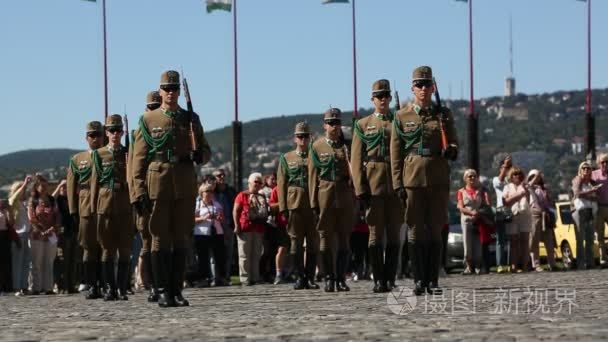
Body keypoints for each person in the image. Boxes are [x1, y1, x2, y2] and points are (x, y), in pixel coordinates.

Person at [131, 70, 211, 307]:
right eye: (167, 88)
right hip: (159, 183)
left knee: (181, 238)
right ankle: (163, 289)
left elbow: (205, 150)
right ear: (160, 90)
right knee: (159, 238)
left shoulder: (190, 118)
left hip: (185, 182)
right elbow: (138, 160)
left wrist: (200, 155)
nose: (171, 93)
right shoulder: (149, 120)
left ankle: (177, 289)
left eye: (174, 88)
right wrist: (138, 191)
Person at [390, 66, 458, 296]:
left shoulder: (443, 113)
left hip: (438, 176)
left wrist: (452, 150)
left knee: (436, 229)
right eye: (418, 84)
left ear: (433, 87)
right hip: (412, 178)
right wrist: (398, 184)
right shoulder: (402, 116)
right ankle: (419, 280)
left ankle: (433, 280)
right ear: (412, 88)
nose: (423, 88)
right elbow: (396, 153)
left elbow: (454, 143)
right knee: (416, 230)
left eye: (427, 84)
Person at [351, 79, 404, 293]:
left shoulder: (399, 121)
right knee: (374, 236)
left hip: (395, 184)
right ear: (372, 100)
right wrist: (360, 188)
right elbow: (356, 159)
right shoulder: (363, 125)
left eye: (385, 96)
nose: (382, 100)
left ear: (390, 98)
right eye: (378, 96)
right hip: (373, 186)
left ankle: (390, 277)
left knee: (393, 236)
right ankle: (378, 279)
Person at [309, 107, 355, 292]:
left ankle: (341, 278)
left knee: (344, 238)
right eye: (330, 123)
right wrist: (313, 203)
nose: (334, 126)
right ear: (324, 125)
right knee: (325, 238)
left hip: (344, 192)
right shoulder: (317, 146)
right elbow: (313, 176)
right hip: (324, 193)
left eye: (337, 122)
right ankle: (328, 277)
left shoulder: (347, 145)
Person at [91, 114, 133, 301]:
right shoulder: (99, 154)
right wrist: (93, 208)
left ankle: (122, 288)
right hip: (105, 205)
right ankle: (110, 288)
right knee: (107, 250)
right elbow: (94, 182)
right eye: (111, 130)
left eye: (118, 130)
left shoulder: (128, 152)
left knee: (124, 249)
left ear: (123, 132)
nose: (115, 134)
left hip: (124, 205)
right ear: (106, 132)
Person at [276, 122, 320, 290]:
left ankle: (310, 277)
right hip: (294, 204)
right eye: (300, 136)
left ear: (310, 138)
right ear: (295, 138)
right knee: (295, 243)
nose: (303, 139)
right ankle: (299, 277)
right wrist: (283, 208)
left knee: (312, 243)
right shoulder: (286, 158)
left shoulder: (314, 156)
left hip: (312, 203)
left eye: (305, 136)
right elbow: (281, 184)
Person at [129, 91, 161, 302]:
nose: (154, 111)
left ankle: (164, 282)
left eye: (156, 106)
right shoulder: (139, 132)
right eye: (151, 107)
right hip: (145, 193)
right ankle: (151, 284)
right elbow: (133, 168)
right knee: (148, 242)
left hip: (164, 190)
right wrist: (136, 197)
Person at [67, 121, 104, 299]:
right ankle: (91, 283)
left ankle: (106, 283)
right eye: (92, 135)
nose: (95, 138)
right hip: (86, 205)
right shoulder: (77, 159)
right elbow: (71, 186)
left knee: (106, 246)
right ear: (86, 138)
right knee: (89, 247)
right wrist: (73, 211)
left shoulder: (108, 155)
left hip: (105, 204)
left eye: (98, 134)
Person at [233, 173, 268, 286]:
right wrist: (236, 225)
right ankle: (245, 279)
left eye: (259, 182)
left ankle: (255, 278)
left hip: (258, 229)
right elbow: (236, 211)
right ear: (249, 183)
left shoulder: (262, 197)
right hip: (245, 228)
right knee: (244, 255)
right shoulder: (242, 195)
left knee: (256, 254)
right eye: (255, 182)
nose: (257, 184)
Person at [28, 175, 60, 295]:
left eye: (46, 186)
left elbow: (57, 216)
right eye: (42, 186)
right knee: (37, 262)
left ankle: (48, 287)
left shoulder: (52, 200)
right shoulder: (33, 200)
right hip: (37, 235)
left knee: (49, 261)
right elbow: (31, 218)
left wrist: (53, 228)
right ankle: (36, 287)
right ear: (36, 187)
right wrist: (42, 230)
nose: (45, 188)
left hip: (52, 235)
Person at [456, 169, 491, 275]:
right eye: (469, 176)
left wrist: (479, 213)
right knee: (467, 245)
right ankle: (468, 266)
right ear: (465, 179)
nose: (472, 178)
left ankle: (478, 266)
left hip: (479, 220)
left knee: (478, 245)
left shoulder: (481, 190)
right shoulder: (461, 191)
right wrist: (471, 213)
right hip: (467, 220)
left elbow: (487, 205)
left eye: (474, 176)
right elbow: (460, 207)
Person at [194, 183, 227, 287]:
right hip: (201, 233)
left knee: (218, 256)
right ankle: (203, 279)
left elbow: (223, 219)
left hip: (217, 232)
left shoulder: (217, 204)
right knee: (203, 257)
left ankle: (218, 278)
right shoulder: (197, 204)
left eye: (211, 191)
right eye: (207, 191)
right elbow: (192, 220)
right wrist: (204, 218)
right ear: (201, 193)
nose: (210, 193)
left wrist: (219, 218)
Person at [502, 167, 532, 273]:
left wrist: (526, 191)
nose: (517, 176)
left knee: (525, 241)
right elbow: (506, 202)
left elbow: (529, 200)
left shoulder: (525, 186)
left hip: (525, 214)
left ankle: (525, 266)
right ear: (511, 176)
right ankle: (513, 266)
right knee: (513, 242)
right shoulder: (507, 187)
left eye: (519, 174)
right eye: (515, 174)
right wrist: (519, 195)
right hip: (512, 215)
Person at [527, 169, 558, 272]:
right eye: (534, 176)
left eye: (539, 176)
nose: (537, 178)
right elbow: (529, 186)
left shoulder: (545, 188)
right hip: (535, 215)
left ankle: (552, 264)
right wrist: (536, 175)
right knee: (535, 240)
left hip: (546, 214)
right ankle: (536, 264)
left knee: (549, 240)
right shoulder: (530, 187)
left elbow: (550, 201)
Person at [571, 161, 600, 270]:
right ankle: (581, 263)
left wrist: (592, 195)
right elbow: (577, 193)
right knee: (580, 239)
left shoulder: (592, 182)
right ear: (580, 170)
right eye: (584, 168)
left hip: (591, 211)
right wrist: (591, 193)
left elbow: (597, 197)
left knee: (590, 239)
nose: (586, 170)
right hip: (579, 212)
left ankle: (590, 262)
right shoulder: (577, 179)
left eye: (588, 168)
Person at [52, 179, 79, 293]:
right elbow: (51, 197)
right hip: (63, 233)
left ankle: (71, 285)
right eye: (63, 188)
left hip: (73, 231)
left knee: (73, 260)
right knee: (63, 260)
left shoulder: (72, 199)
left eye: (66, 187)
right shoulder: (57, 200)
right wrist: (59, 185)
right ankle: (63, 286)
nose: (64, 189)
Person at [9, 176, 32, 296]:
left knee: (26, 262)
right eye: (21, 189)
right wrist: (24, 184)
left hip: (26, 234)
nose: (23, 191)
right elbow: (14, 198)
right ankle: (17, 287)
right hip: (18, 235)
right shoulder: (13, 201)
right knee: (17, 262)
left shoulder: (23, 203)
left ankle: (24, 286)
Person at [213, 169, 237, 283]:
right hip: (215, 226)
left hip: (229, 225)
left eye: (223, 175)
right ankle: (216, 277)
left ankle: (226, 276)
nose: (221, 177)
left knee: (229, 252)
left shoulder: (231, 191)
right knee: (216, 253)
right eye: (218, 175)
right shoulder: (212, 192)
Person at [493, 154, 512, 274]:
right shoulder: (496, 179)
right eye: (505, 166)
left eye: (509, 166)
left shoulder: (511, 180)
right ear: (501, 167)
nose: (508, 168)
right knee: (500, 240)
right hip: (501, 211)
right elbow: (499, 182)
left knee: (512, 240)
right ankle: (500, 264)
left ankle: (512, 264)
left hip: (512, 210)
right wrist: (505, 165)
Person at [592, 153, 608, 268]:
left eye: (607, 162)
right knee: (600, 236)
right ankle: (603, 260)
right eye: (603, 162)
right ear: (599, 163)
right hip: (599, 208)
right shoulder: (594, 175)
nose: (605, 164)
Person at [0, 198, 13, 295]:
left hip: (5, 236)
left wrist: (9, 210)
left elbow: (12, 223)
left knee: (6, 262)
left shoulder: (5, 211)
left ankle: (6, 287)